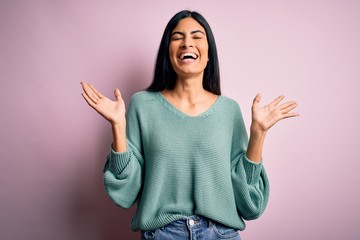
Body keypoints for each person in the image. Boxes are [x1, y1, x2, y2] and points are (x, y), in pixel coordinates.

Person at [81, 10, 298, 240]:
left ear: (208, 55)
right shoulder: (142, 105)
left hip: (221, 234)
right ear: (168, 52)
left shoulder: (228, 110)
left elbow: (250, 205)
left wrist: (258, 133)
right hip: (163, 234)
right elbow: (124, 193)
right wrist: (118, 125)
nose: (187, 43)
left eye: (196, 37)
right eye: (177, 37)